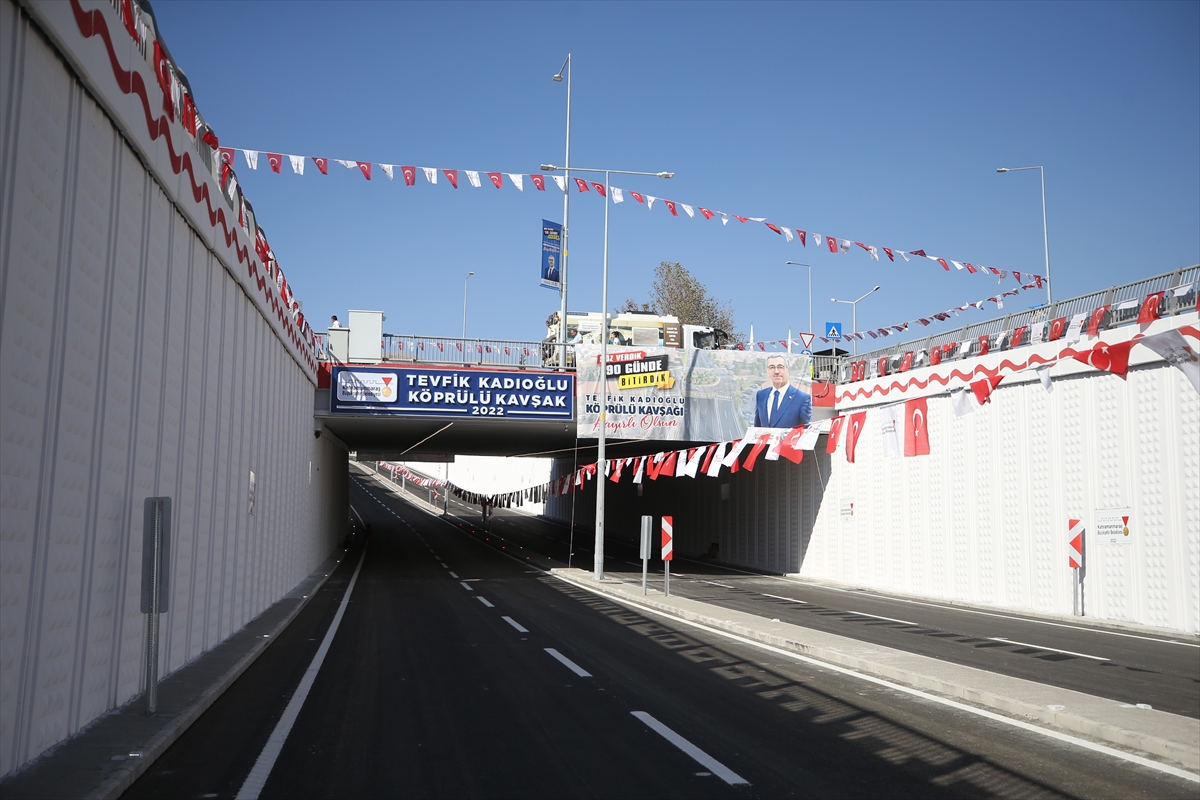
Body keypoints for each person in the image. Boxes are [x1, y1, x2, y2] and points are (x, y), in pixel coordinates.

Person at [753, 354, 812, 428]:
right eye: (772, 367)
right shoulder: (761, 395)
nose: (776, 371)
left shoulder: (802, 398)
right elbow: (757, 427)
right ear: (767, 371)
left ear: (788, 370)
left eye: (780, 367)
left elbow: (804, 431)